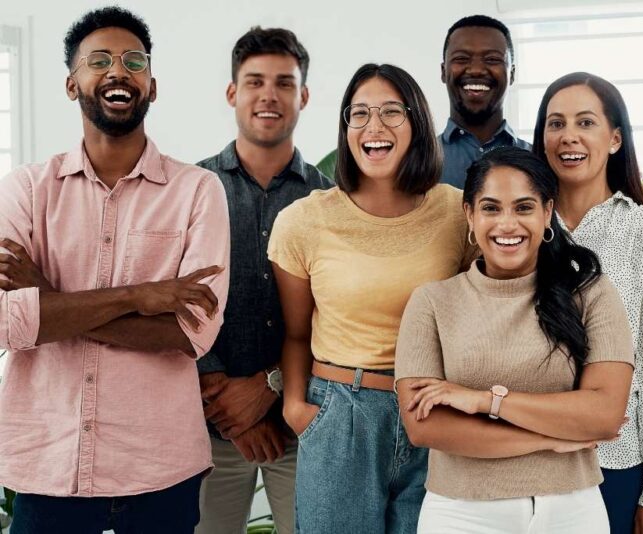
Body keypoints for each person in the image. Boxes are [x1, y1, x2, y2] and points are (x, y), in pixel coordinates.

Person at [0, 7, 229, 533]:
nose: (117, 71)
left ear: (152, 84)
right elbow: (7, 323)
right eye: (98, 60)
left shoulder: (197, 191)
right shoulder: (26, 190)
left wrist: (49, 299)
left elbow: (190, 332)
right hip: (48, 469)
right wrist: (141, 295)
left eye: (133, 61)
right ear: (71, 83)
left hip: (159, 469)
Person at [268, 63, 471, 533]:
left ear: (417, 122)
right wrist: (298, 410)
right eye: (358, 114)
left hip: (433, 411)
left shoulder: (456, 212)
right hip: (341, 414)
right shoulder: (304, 221)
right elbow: (296, 332)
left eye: (390, 112)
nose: (373, 127)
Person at [395, 146, 634, 534]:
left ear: (546, 213)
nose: (508, 224)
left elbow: (604, 415)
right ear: (469, 215)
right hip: (460, 513)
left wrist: (485, 401)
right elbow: (425, 427)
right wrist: (548, 439)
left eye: (523, 208)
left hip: (572, 511)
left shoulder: (590, 292)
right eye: (491, 208)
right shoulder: (432, 302)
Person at [532, 72, 643, 534]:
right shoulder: (515, 227)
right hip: (519, 459)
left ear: (615, 138)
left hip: (612, 466)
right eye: (555, 123)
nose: (569, 136)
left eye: (585, 122)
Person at [194, 27, 332, 534]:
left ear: (304, 96)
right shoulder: (193, 189)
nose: (268, 95)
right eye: (254, 82)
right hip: (208, 426)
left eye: (283, 83)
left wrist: (270, 387)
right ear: (233, 93)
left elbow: (336, 313)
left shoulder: (329, 200)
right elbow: (175, 301)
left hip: (301, 425)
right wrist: (228, 403)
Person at [439, 15, 530, 188]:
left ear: (512, 74)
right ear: (443, 71)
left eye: (492, 60)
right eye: (461, 59)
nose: (476, 70)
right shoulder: (415, 161)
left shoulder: (540, 159)